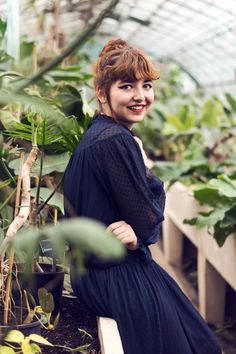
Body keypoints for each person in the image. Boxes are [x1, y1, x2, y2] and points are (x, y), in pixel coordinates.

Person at [63, 38, 221, 354]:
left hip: (96, 272)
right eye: (126, 86)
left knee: (194, 334)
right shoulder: (116, 141)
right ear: (101, 93)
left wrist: (138, 228)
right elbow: (147, 218)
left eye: (146, 85)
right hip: (113, 274)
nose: (140, 96)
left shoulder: (101, 132)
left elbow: (139, 221)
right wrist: (148, 175)